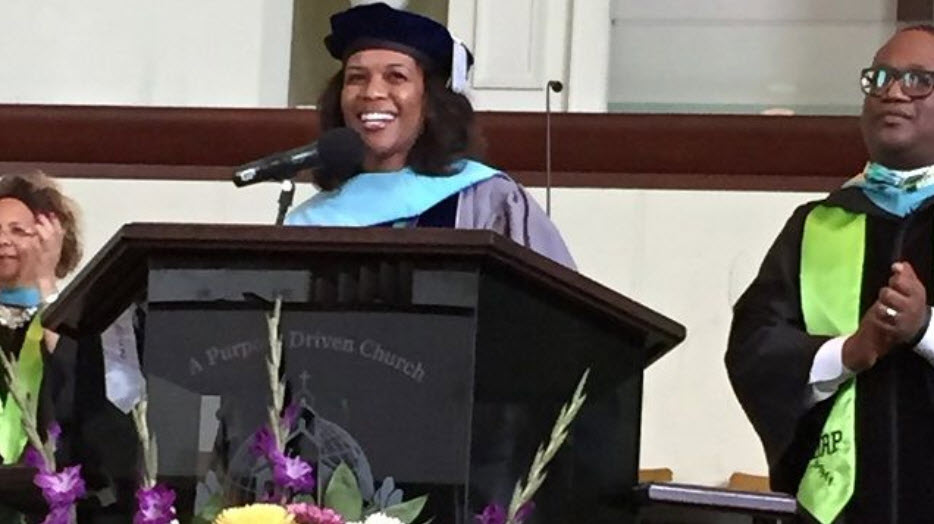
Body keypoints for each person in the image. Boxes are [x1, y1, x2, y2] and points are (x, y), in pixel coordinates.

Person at [727, 26, 934, 523]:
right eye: (880, 78)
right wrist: (846, 352)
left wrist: (924, 329)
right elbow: (755, 349)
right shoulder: (818, 226)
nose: (892, 91)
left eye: (918, 80)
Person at [285, 2, 575, 269]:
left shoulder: (487, 200)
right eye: (357, 78)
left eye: (396, 77)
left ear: (430, 100)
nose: (372, 93)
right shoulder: (311, 221)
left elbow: (555, 301)